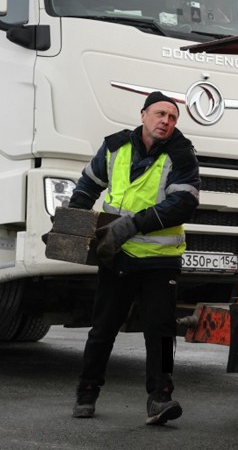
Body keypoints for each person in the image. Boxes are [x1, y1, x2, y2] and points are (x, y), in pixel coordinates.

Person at [69, 91, 200, 425]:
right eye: (160, 114)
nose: (166, 121)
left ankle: (160, 399)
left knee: (161, 332)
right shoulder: (115, 147)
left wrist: (133, 224)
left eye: (172, 117)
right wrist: (71, 226)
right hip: (118, 258)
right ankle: (86, 392)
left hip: (159, 261)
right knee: (102, 329)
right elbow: (87, 186)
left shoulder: (182, 155)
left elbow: (183, 204)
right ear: (143, 115)